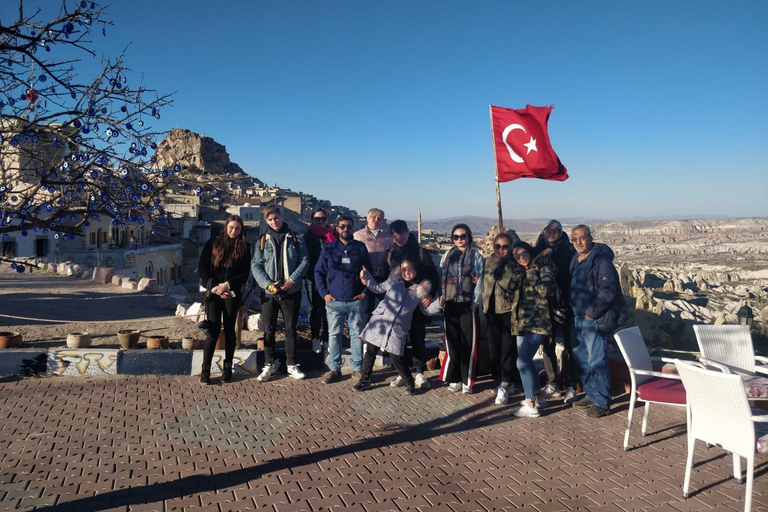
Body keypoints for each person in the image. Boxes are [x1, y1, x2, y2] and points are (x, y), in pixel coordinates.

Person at [355, 259, 442, 394]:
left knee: (397, 359)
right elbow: (377, 288)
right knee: (370, 352)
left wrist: (439, 304)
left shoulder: (419, 290)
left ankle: (409, 381)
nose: (406, 272)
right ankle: (364, 381)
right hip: (380, 323)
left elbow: (427, 310)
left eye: (408, 269)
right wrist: (366, 277)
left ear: (415, 271)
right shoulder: (393, 282)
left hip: (398, 328)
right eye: (403, 269)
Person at [569, 225, 628, 418]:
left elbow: (608, 291)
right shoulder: (576, 259)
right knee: (583, 360)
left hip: (593, 320)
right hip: (578, 318)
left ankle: (602, 401)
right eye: (574, 238)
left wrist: (590, 314)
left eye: (582, 238)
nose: (578, 242)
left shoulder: (601, 260)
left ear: (590, 238)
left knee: (597, 360)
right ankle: (591, 394)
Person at [374, 220, 440, 389]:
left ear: (407, 233)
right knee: (398, 341)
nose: (398, 237)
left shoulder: (420, 253)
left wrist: (430, 294)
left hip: (416, 306)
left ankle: (419, 373)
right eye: (395, 234)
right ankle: (402, 373)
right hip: (397, 308)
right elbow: (381, 278)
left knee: (418, 339)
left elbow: (432, 275)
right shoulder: (389, 254)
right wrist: (389, 298)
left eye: (401, 233)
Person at [251, 204, 309, 381]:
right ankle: (269, 365)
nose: (274, 221)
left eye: (276, 218)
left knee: (291, 329)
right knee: (269, 330)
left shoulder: (295, 238)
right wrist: (268, 285)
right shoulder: (262, 240)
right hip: (269, 294)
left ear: (281, 216)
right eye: (270, 219)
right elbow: (256, 265)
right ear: (266, 220)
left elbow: (305, 260)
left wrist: (292, 280)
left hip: (291, 291)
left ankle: (291, 364)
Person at [498, 241, 556, 418]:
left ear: (530, 252)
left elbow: (545, 290)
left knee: (521, 362)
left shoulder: (542, 268)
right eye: (516, 255)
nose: (521, 257)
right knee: (527, 361)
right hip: (520, 323)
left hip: (538, 323)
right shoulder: (517, 271)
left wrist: (531, 273)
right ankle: (538, 396)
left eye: (524, 253)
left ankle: (530, 404)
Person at [315, 215, 372, 384]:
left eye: (349, 226)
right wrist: (324, 294)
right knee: (334, 335)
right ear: (337, 228)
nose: (346, 229)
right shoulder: (329, 248)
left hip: (355, 301)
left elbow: (369, 271)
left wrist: (365, 292)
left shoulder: (360, 248)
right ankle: (334, 369)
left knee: (356, 335)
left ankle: (357, 368)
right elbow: (319, 272)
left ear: (353, 228)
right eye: (342, 226)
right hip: (334, 302)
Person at [197, 215, 251, 385]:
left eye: (237, 228)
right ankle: (206, 369)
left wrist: (227, 286)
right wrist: (215, 288)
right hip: (213, 293)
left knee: (229, 330)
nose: (234, 231)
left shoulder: (244, 247)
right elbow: (202, 268)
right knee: (212, 332)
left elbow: (244, 273)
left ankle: (227, 368)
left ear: (241, 230)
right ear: (226, 227)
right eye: (231, 227)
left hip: (231, 293)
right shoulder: (213, 243)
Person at [532, 220, 578, 403]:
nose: (551, 233)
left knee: (570, 345)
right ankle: (552, 382)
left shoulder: (569, 250)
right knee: (547, 344)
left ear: (560, 232)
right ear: (543, 232)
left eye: (555, 230)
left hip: (567, 303)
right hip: (544, 305)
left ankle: (570, 385)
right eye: (548, 230)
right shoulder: (537, 250)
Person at [438, 224, 484, 394]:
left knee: (469, 344)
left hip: (467, 305)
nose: (459, 239)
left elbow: (480, 282)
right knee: (453, 344)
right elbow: (441, 278)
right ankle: (455, 378)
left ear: (468, 237)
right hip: (450, 304)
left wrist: (475, 303)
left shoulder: (476, 256)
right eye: (456, 236)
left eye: (463, 236)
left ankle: (468, 380)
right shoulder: (447, 256)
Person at [481, 232, 521, 405]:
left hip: (506, 312)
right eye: (498, 246)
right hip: (490, 311)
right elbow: (484, 284)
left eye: (505, 246)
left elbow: (510, 285)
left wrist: (499, 275)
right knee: (494, 350)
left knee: (507, 350)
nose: (501, 249)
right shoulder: (488, 262)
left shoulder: (513, 265)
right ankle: (502, 380)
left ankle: (505, 383)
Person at [304, 207, 335, 354]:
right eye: (317, 219)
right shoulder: (309, 237)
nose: (321, 221)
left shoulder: (333, 235)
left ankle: (327, 339)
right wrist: (315, 280)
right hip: (317, 280)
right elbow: (307, 260)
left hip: (333, 279)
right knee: (317, 310)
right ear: (312, 220)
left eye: (323, 218)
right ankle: (315, 338)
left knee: (330, 310)